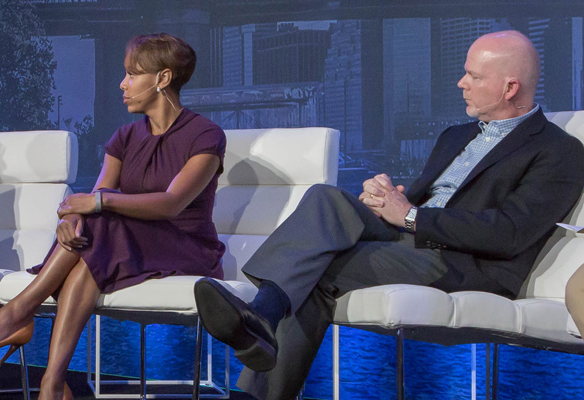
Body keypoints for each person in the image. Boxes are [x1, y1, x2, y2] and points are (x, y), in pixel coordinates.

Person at [194, 30, 584, 399]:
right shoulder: (456, 136)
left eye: (474, 76)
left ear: (510, 87)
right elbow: (420, 200)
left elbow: (510, 233)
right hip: (410, 239)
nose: (461, 83)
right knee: (326, 198)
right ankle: (262, 317)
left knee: (313, 271)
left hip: (463, 262)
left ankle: (258, 344)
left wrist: (411, 216)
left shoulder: (558, 151)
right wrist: (387, 199)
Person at [0, 33, 226, 400]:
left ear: (163, 78)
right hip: (126, 247)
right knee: (88, 246)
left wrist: (95, 206)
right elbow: (91, 202)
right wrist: (69, 224)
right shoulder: (124, 137)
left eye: (132, 75)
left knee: (102, 218)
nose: (122, 84)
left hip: (186, 249)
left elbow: (171, 203)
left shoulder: (206, 135)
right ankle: (52, 383)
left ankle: (18, 313)